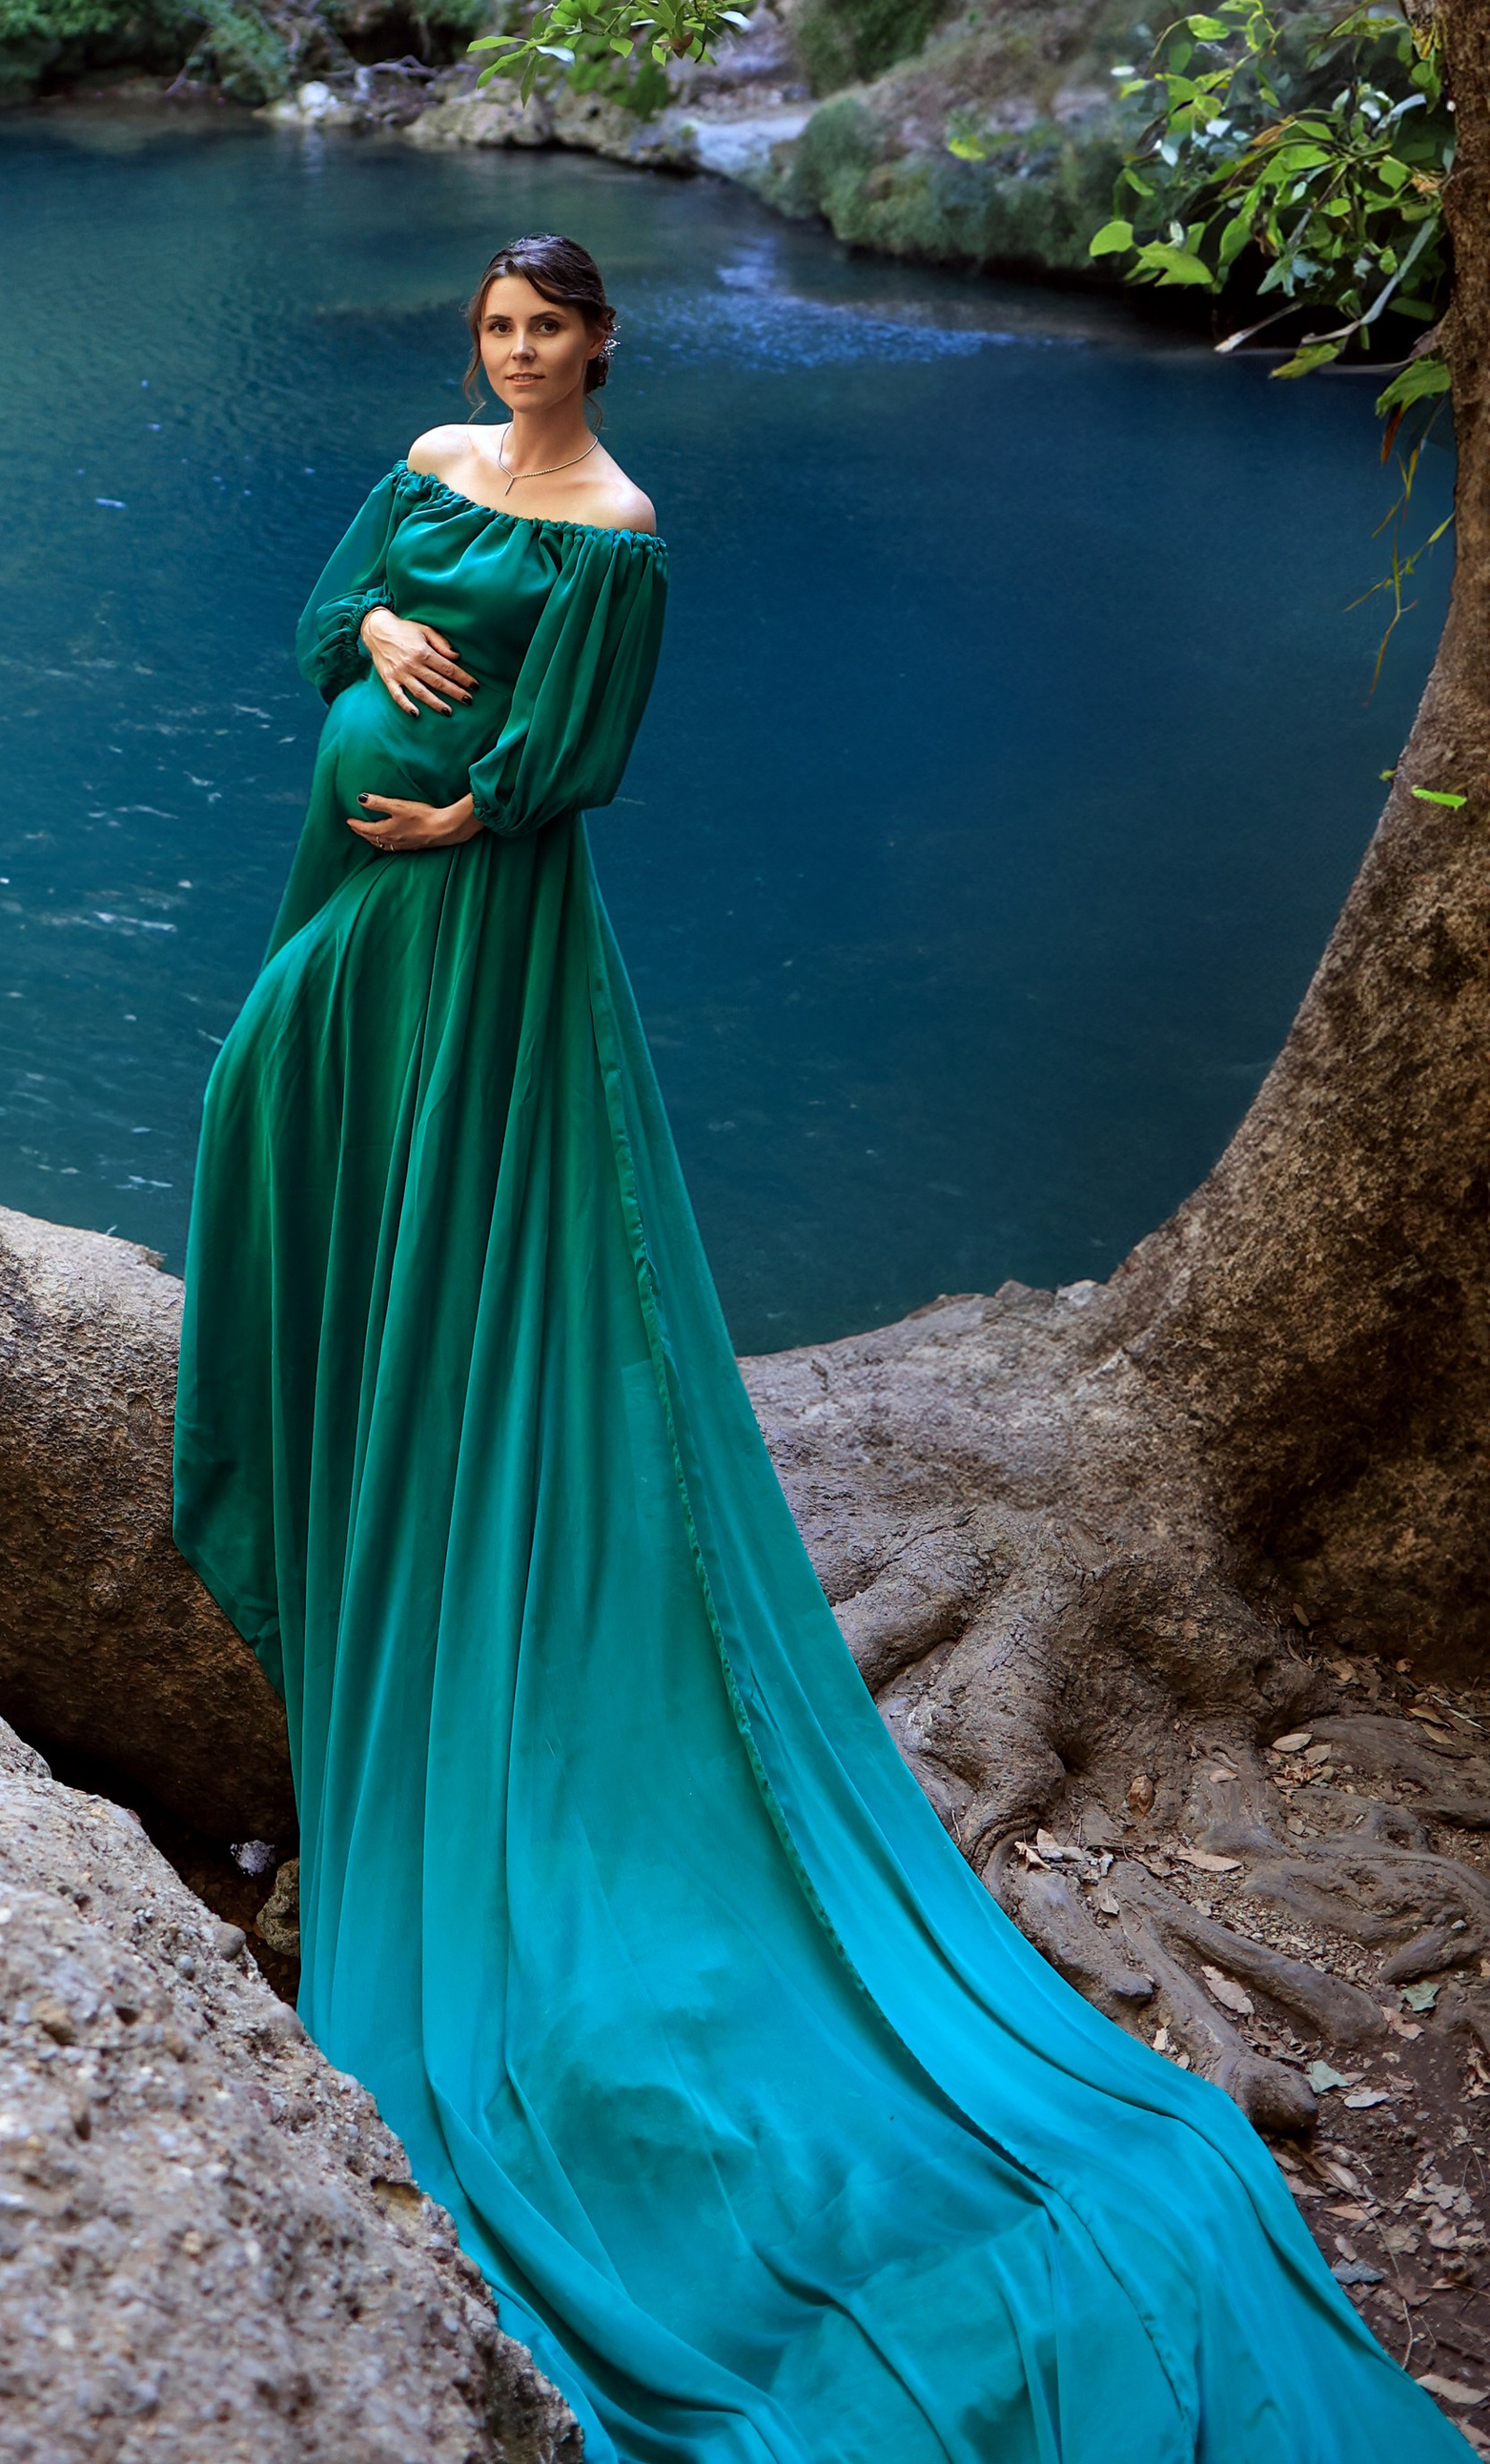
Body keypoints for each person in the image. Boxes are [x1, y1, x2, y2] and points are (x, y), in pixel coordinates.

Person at [173, 231, 1459, 2464]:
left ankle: (448, 1487)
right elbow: (307, 635)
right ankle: (347, 1401)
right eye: (492, 326)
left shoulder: (619, 538)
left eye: (547, 328)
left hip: (466, 938)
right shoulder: (421, 465)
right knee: (252, 1107)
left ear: (599, 345)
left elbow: (571, 767)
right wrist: (366, 635)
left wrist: (464, 803)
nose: (515, 353)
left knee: (429, 1210)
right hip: (343, 911)